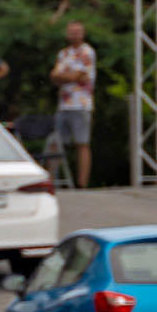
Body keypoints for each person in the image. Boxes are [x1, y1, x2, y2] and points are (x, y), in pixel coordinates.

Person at [50, 20, 97, 190]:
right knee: (56, 142)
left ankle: (81, 184)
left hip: (81, 104)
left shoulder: (87, 52)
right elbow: (54, 76)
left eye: (77, 32)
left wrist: (64, 75)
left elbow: (82, 76)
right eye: (72, 32)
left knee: (82, 143)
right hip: (64, 105)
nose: (74, 35)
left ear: (83, 34)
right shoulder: (63, 54)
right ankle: (51, 181)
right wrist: (69, 76)